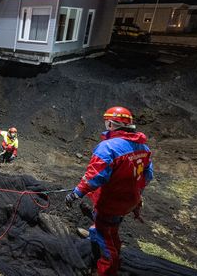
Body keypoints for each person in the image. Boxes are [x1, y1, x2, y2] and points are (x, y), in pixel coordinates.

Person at [65, 106, 153, 276]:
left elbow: (94, 177)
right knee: (112, 228)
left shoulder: (108, 147)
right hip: (129, 202)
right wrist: (134, 192)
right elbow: (148, 175)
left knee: (107, 239)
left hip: (110, 203)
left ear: (111, 124)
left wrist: (76, 193)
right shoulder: (144, 148)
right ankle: (94, 235)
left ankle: (108, 267)